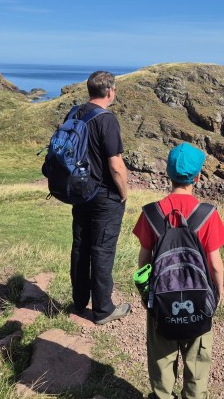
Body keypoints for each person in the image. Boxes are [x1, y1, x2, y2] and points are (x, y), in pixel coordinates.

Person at [132, 143, 224, 399]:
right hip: (199, 298)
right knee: (197, 361)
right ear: (197, 177)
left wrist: (146, 292)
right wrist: (219, 290)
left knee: (161, 359)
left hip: (162, 300)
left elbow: (144, 258)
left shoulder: (151, 213)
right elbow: (215, 264)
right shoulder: (207, 214)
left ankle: (163, 395)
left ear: (168, 173)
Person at [70, 70, 131, 325]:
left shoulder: (75, 113)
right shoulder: (107, 119)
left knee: (81, 246)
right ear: (110, 91)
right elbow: (115, 164)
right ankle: (104, 309)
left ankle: (80, 301)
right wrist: (124, 194)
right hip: (104, 195)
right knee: (102, 250)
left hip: (79, 191)